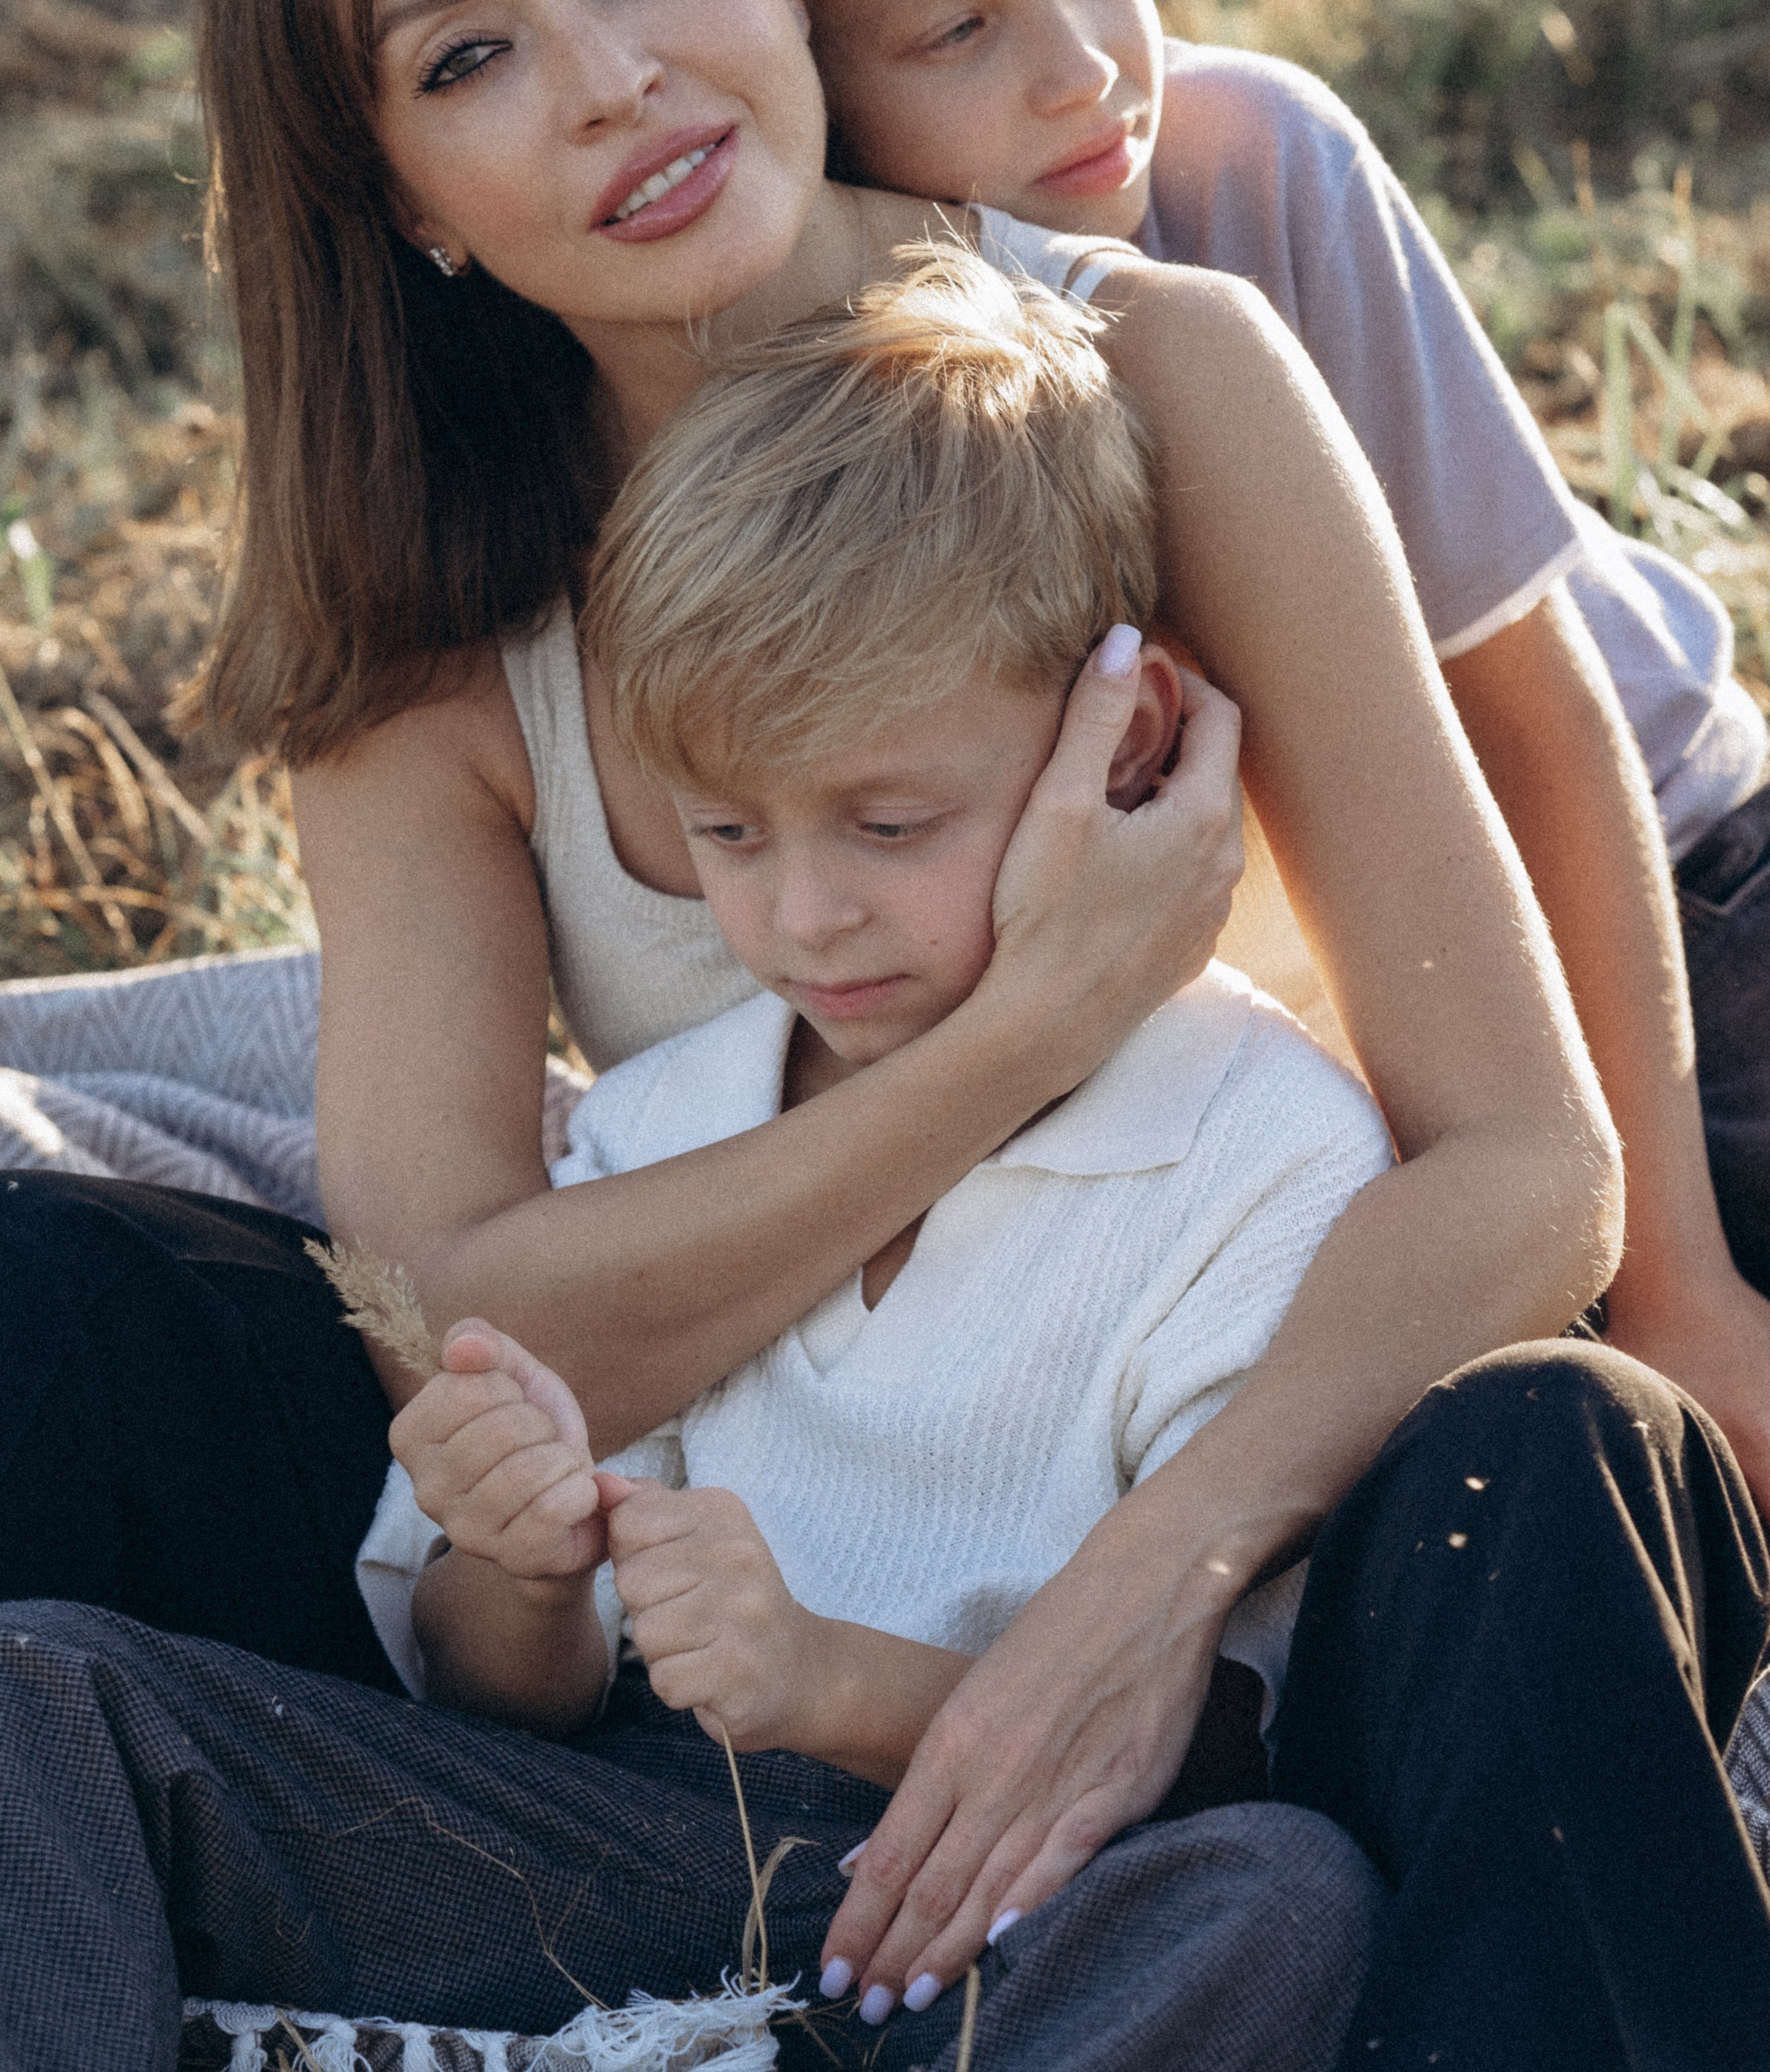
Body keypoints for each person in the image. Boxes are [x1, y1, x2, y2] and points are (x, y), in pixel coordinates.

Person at [0, 0, 1621, 2004]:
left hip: (1213, 1470)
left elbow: (1525, 1169)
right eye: (469, 58)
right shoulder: (430, 632)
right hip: (742, 1594)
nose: (615, 81)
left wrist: (1139, 1600)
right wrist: (1026, 1018)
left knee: (1560, 1472)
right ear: (403, 191)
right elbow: (453, 1311)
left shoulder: (1156, 374)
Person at [8, 259, 1764, 2072]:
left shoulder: (1257, 1154)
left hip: (1013, 1907)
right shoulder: (661, 1135)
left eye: (890, 822)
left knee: (1274, 1900)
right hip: (631, 1857)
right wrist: (513, 1564)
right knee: (41, 1697)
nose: (807, 911)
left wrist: (827, 1684)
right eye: (729, 838)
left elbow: (1236, 1737)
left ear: (1129, 729)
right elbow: (483, 1689)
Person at [651, 0, 1770, 1497]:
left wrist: (1685, 1289)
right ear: (802, 78)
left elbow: (1537, 721)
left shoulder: (1254, 172)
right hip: (1331, 1048)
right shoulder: (802, 382)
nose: (1087, 67)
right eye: (960, 29)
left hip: (1670, 904)